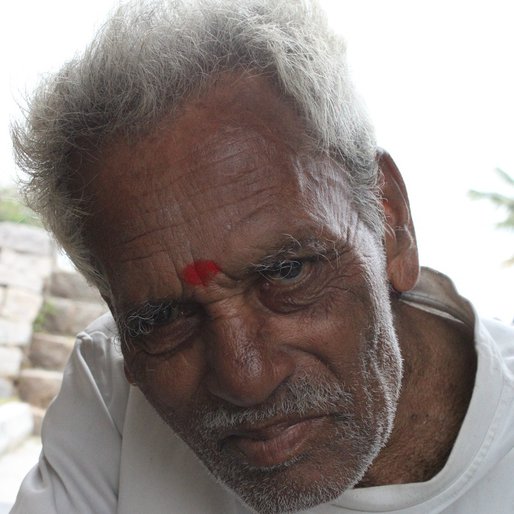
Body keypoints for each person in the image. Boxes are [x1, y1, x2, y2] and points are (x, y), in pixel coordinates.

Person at [10, 1, 514, 513]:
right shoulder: (110, 386)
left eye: (288, 272)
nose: (246, 380)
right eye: (163, 317)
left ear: (390, 223)